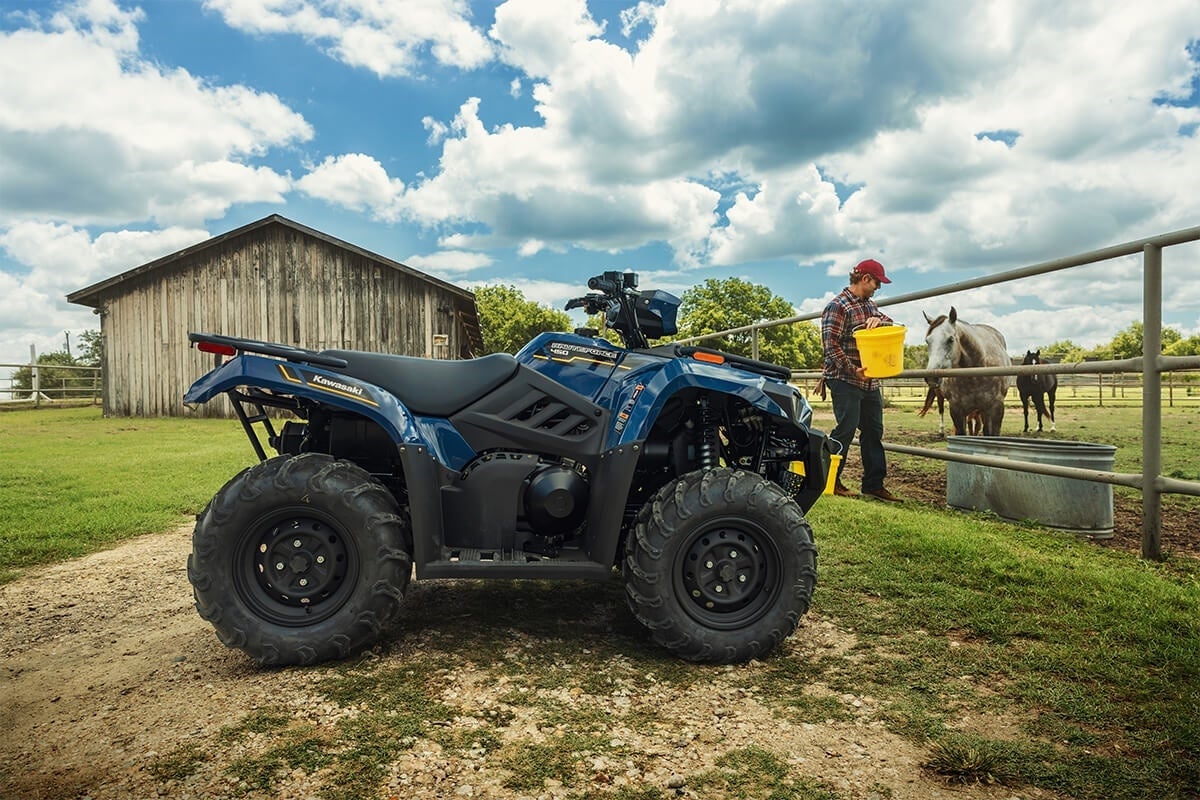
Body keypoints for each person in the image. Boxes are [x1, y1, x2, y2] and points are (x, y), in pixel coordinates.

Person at [820, 258, 903, 502]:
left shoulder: (870, 306)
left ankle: (874, 485)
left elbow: (890, 323)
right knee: (845, 429)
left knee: (874, 430)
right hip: (845, 379)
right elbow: (830, 345)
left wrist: (880, 321)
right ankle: (830, 480)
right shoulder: (837, 306)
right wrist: (852, 369)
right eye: (877, 283)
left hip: (869, 381)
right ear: (865, 278)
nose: (878, 288)